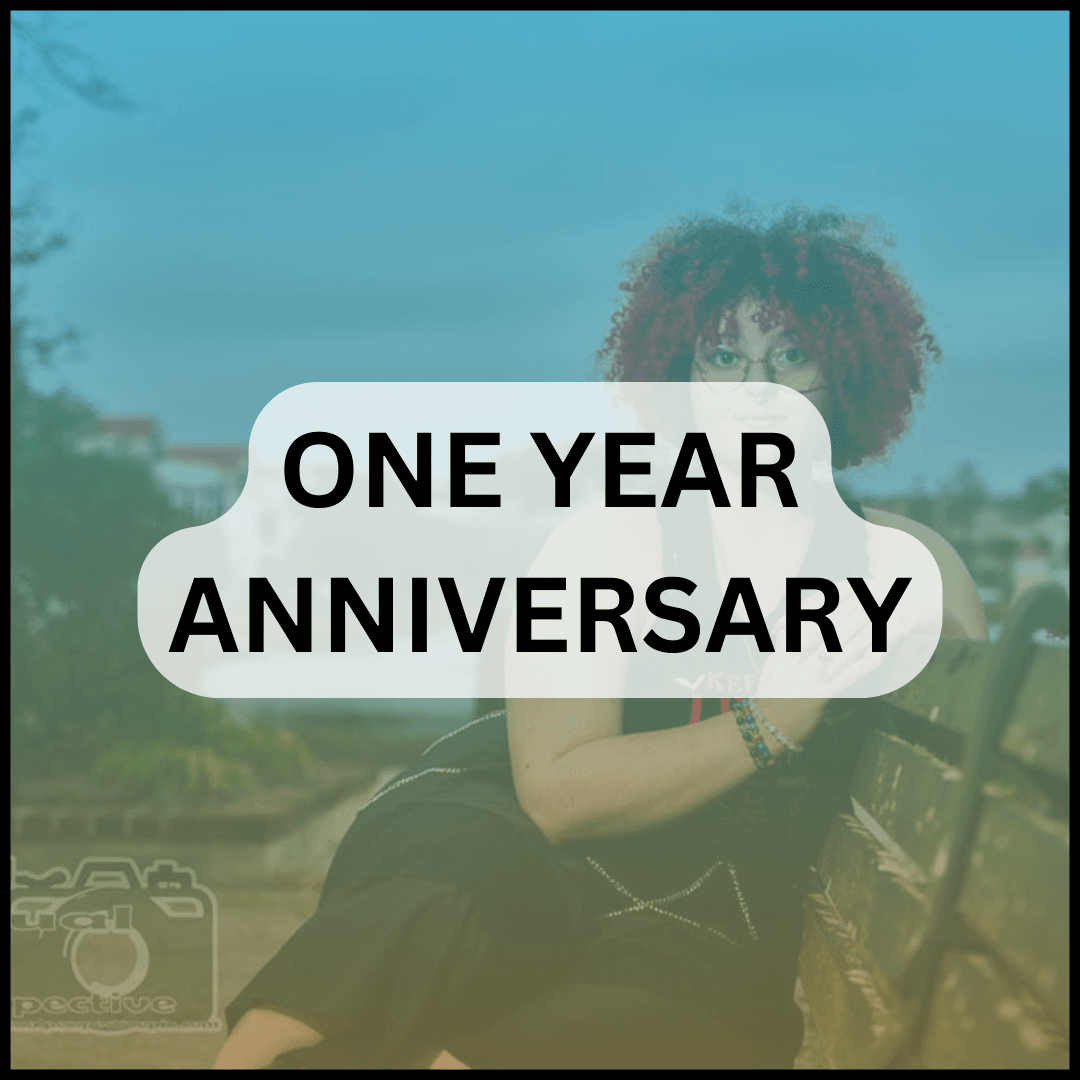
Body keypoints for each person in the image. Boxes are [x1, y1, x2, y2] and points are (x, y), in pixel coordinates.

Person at [213, 204, 987, 1070]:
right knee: (431, 902)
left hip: (714, 912)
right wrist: (773, 717)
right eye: (722, 356)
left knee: (629, 1011)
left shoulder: (909, 561)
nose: (756, 387)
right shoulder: (610, 541)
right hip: (522, 842)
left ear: (844, 371)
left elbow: (975, 771)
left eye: (792, 354)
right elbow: (557, 796)